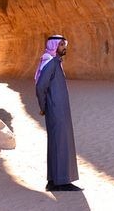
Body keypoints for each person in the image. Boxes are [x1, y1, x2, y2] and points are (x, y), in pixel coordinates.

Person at [35, 34, 81, 192]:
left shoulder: (53, 62)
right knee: (61, 142)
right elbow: (41, 86)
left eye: (64, 44)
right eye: (61, 44)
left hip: (58, 110)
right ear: (54, 46)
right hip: (56, 110)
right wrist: (43, 106)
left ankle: (54, 180)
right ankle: (62, 181)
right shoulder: (52, 63)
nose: (64, 47)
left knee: (56, 142)